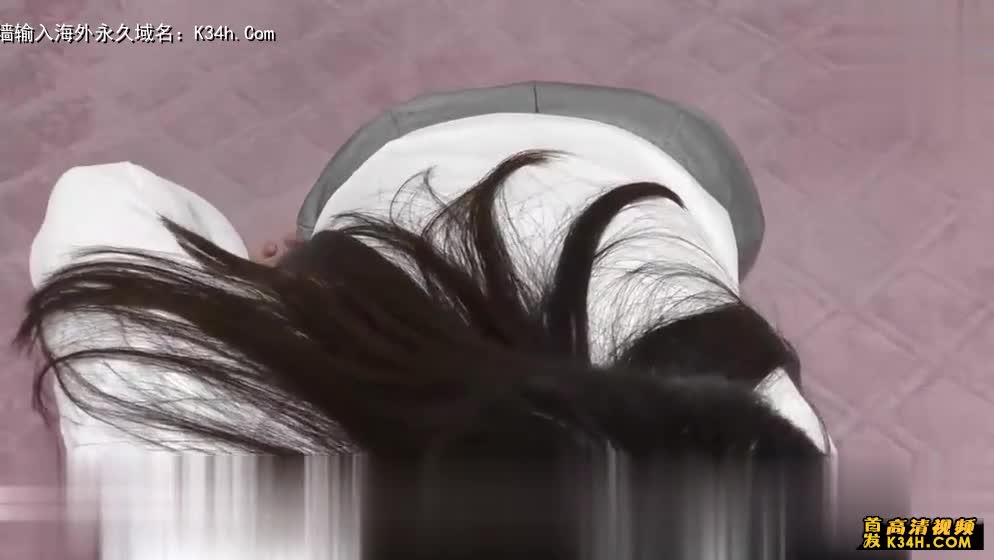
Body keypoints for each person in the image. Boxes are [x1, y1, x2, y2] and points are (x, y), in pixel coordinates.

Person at [17, 83, 840, 559]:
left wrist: (271, 290)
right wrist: (269, 290)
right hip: (450, 166)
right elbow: (99, 211)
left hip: (648, 167)